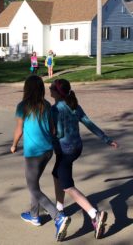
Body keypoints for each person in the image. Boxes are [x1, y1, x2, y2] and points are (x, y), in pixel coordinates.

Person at [49, 79, 118, 239]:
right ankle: (59, 207)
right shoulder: (74, 105)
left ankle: (94, 214)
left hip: (65, 151)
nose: (49, 89)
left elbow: (58, 133)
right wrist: (106, 139)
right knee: (56, 173)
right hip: (76, 148)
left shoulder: (55, 110)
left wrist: (47, 138)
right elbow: (89, 123)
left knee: (68, 186)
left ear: (57, 92)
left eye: (51, 87)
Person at [11, 75, 71, 241]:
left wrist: (14, 144)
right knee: (34, 183)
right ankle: (34, 215)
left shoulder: (22, 106)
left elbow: (19, 129)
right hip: (47, 151)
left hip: (33, 153)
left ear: (27, 89)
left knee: (32, 188)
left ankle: (58, 217)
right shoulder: (46, 105)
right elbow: (52, 129)